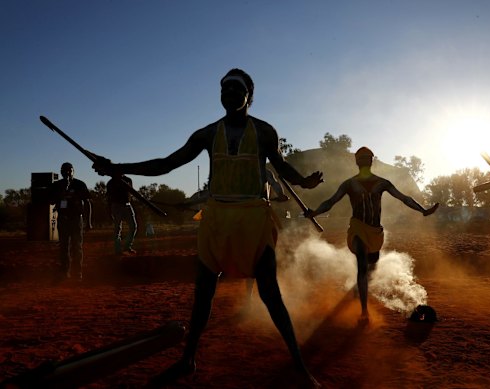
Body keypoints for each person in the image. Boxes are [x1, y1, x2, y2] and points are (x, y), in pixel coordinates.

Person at [92, 68, 322, 386]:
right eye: (223, 88)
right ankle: (188, 359)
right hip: (216, 220)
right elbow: (167, 163)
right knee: (203, 294)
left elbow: (282, 168)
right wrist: (117, 168)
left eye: (235, 88)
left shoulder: (265, 132)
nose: (227, 92)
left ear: (248, 97)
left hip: (253, 218)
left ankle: (298, 365)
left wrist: (304, 182)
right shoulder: (207, 134)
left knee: (270, 293)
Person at [305, 147, 438, 323]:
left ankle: (356, 291)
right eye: (361, 159)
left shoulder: (382, 183)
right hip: (358, 229)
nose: (364, 162)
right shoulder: (349, 184)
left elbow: (404, 198)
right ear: (357, 162)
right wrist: (315, 212)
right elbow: (330, 202)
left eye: (366, 159)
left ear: (371, 161)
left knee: (371, 269)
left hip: (375, 233)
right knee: (362, 265)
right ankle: (364, 311)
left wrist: (423, 210)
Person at [48, 162, 92, 281]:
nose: (67, 172)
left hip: (76, 219)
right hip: (62, 219)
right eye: (64, 170)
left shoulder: (80, 184)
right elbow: (51, 202)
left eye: (69, 170)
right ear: (61, 172)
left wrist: (89, 222)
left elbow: (87, 203)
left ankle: (77, 273)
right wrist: (60, 195)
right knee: (64, 247)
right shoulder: (56, 185)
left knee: (77, 247)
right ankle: (64, 272)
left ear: (73, 171)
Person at [106, 174, 137, 255]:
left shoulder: (128, 179)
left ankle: (127, 246)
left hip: (128, 205)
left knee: (133, 226)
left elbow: (131, 193)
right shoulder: (110, 183)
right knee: (117, 229)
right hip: (116, 205)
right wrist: (110, 212)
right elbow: (109, 198)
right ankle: (118, 250)